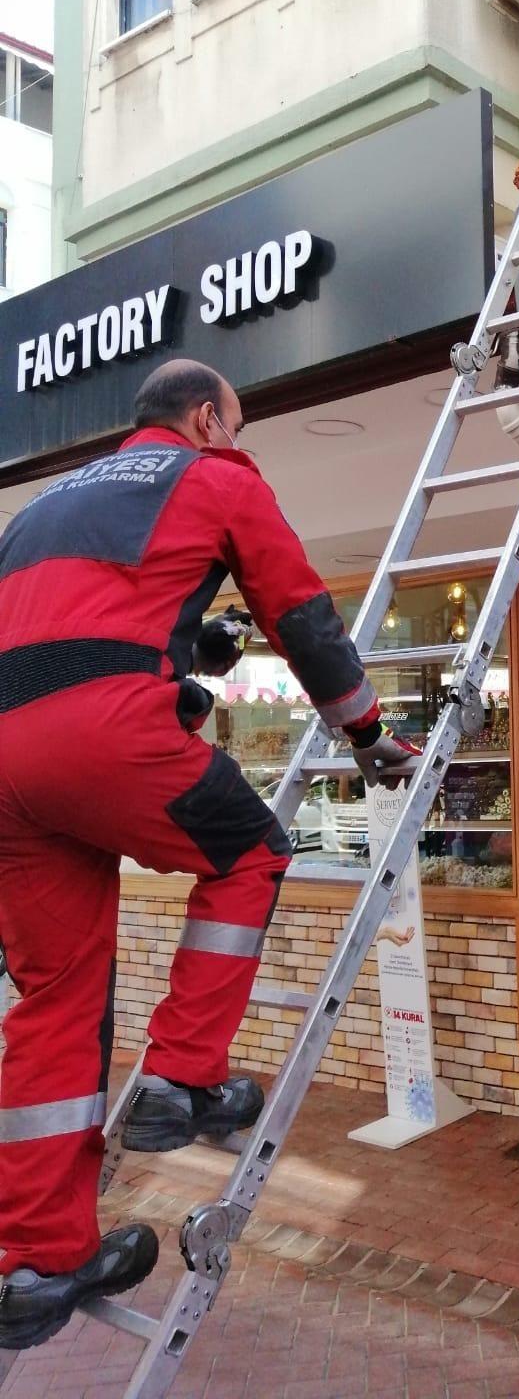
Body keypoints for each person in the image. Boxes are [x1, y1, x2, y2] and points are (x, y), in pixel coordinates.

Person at [0, 359, 418, 1349]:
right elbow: (305, 619)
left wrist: (185, 672)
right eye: (233, 422)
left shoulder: (40, 509)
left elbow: (70, 640)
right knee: (251, 855)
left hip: (6, 760)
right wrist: (366, 733)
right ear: (203, 417)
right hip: (100, 734)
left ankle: (32, 1262)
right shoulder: (218, 477)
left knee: (54, 1000)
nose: (238, 438)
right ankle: (180, 1078)